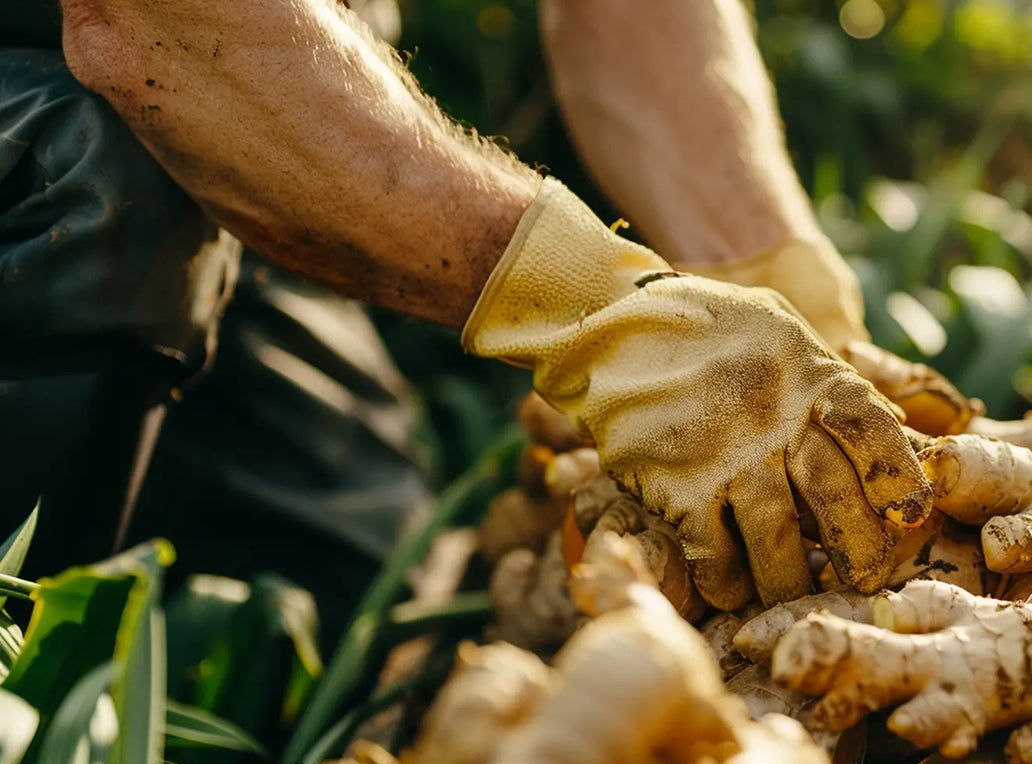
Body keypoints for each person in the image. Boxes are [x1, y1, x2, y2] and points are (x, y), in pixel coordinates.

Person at [1, 0, 956, 616]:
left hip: (258, 124)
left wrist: (770, 273)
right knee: (101, 175)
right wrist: (591, 310)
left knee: (368, 609)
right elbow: (154, 23)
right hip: (76, 107)